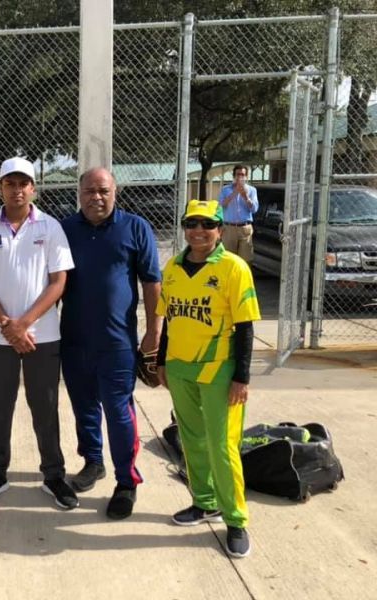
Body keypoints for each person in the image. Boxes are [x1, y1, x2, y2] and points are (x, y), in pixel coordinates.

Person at [0, 157, 78, 509]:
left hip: (42, 337)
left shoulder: (50, 227)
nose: (17, 190)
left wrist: (23, 324)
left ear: (33, 187)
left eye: (23, 183)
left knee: (44, 406)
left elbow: (58, 281)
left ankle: (54, 475)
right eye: (10, 183)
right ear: (0, 187)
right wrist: (7, 326)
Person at [156, 199, 261, 559]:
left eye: (207, 224)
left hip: (220, 371)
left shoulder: (233, 268)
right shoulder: (172, 267)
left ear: (220, 230)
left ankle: (235, 519)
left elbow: (245, 326)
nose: (199, 231)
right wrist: (161, 363)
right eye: (192, 223)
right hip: (180, 367)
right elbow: (168, 319)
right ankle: (204, 502)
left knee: (223, 446)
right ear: (184, 227)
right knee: (192, 440)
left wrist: (241, 377)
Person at [60, 167, 162, 520]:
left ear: (114, 191)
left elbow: (151, 282)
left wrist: (154, 330)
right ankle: (92, 461)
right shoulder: (65, 229)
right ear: (79, 193)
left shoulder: (135, 227)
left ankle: (126, 481)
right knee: (84, 406)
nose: (96, 197)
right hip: (73, 339)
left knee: (119, 412)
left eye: (103, 190)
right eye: (89, 191)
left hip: (117, 342)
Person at [218, 164, 259, 262]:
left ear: (246, 177)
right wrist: (234, 193)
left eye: (243, 175)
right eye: (238, 174)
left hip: (245, 229)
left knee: (246, 260)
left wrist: (246, 197)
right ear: (234, 176)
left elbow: (254, 209)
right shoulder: (225, 189)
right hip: (229, 229)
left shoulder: (252, 190)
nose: (240, 177)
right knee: (228, 259)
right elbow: (221, 205)